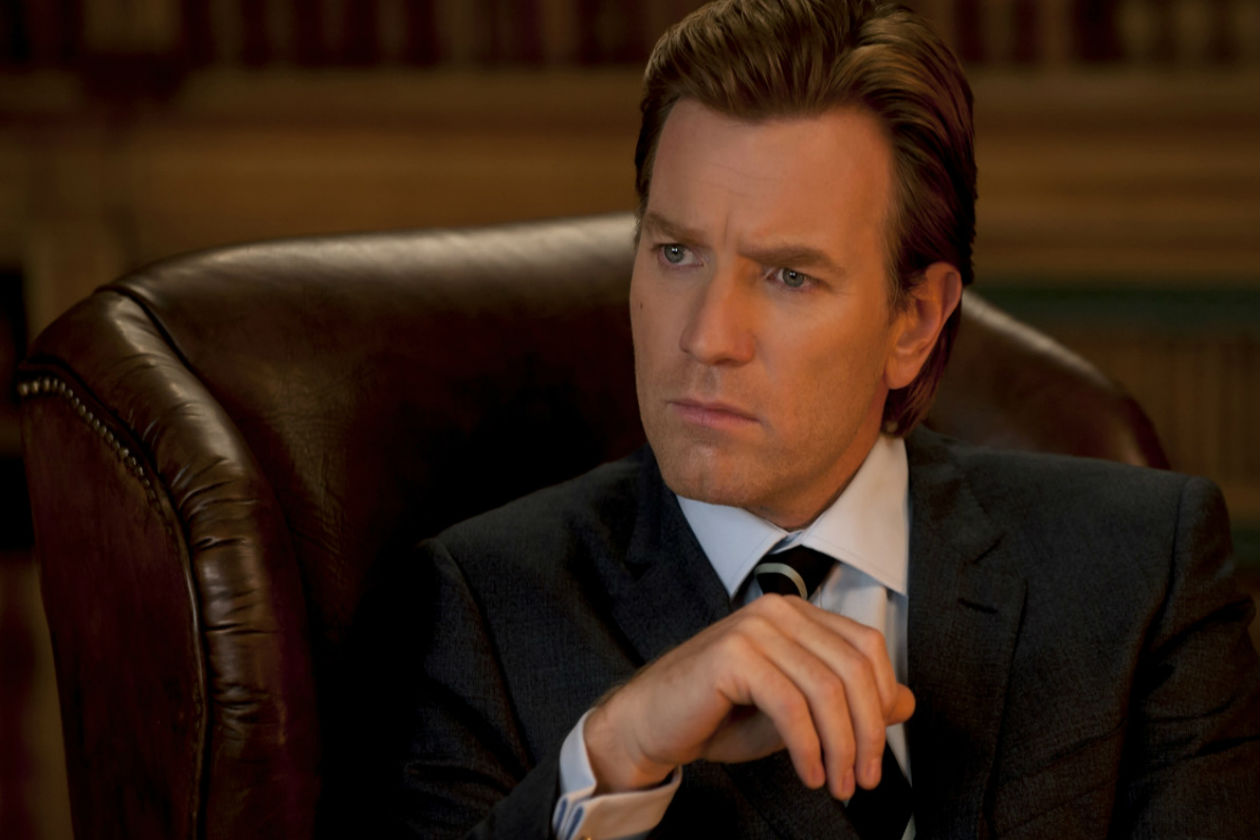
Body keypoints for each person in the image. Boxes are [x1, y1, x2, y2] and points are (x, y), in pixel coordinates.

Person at [389, 1, 1260, 837]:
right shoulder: (483, 607)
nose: (706, 337)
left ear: (914, 321)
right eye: (676, 252)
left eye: (789, 277)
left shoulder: (1145, 568)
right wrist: (615, 756)